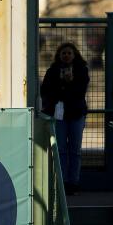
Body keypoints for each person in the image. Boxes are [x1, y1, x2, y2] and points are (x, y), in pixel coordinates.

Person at [40, 43, 90, 195]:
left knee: (75, 151)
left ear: (74, 55)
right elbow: (46, 91)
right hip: (59, 115)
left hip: (75, 114)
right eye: (63, 53)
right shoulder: (52, 71)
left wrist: (67, 86)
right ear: (59, 55)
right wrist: (63, 86)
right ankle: (61, 182)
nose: (66, 56)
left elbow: (80, 92)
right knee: (60, 149)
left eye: (69, 53)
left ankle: (73, 182)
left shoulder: (82, 70)